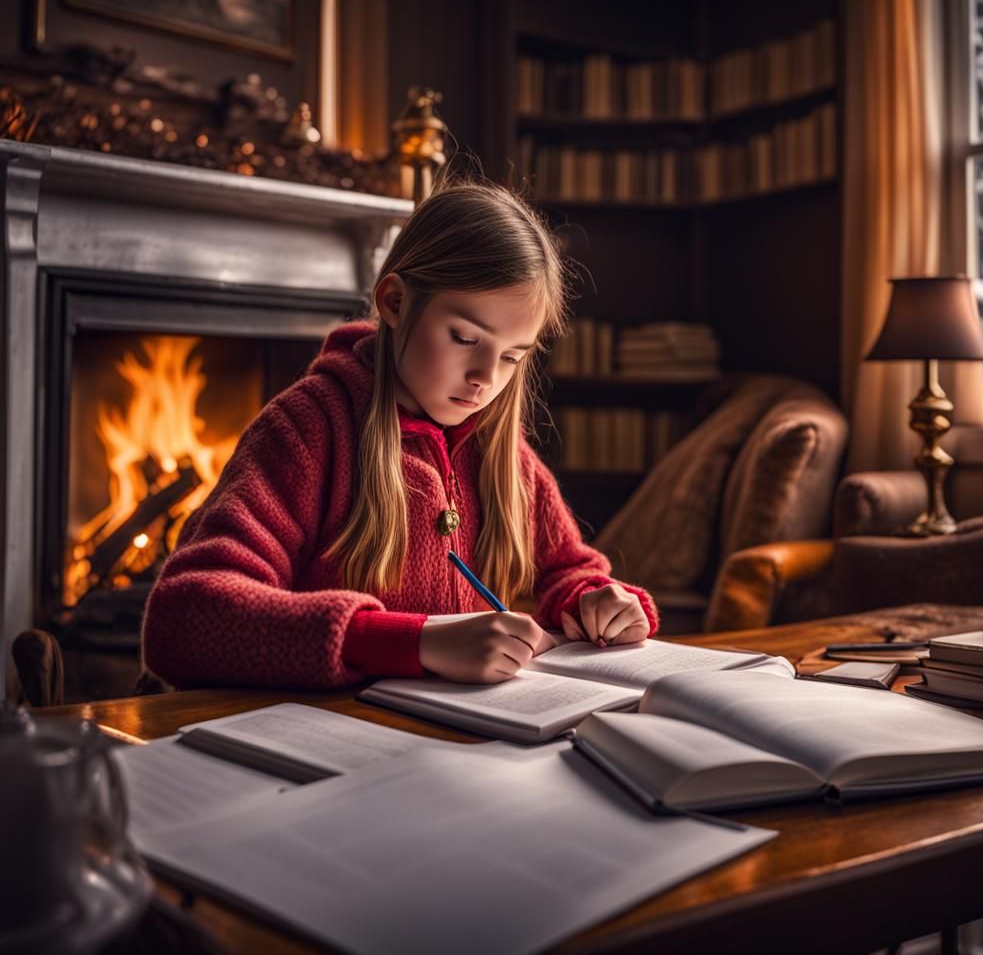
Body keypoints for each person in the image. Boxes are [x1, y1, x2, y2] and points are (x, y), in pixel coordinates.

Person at [142, 177, 658, 690]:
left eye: (512, 356)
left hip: (455, 746)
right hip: (325, 744)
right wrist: (414, 643)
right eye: (465, 338)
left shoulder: (497, 449)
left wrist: (594, 599)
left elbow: (567, 569)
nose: (485, 378)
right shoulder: (307, 430)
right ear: (393, 301)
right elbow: (183, 617)